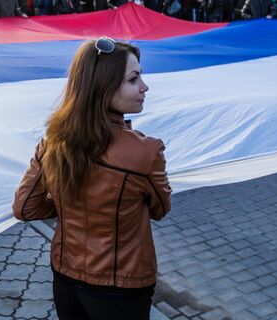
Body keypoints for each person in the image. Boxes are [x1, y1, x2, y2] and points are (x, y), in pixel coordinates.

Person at [13, 37, 171, 320]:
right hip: (121, 286)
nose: (144, 87)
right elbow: (160, 209)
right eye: (134, 79)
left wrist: (69, 204)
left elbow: (26, 207)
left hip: (65, 277)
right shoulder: (146, 152)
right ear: (103, 87)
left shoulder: (54, 140)